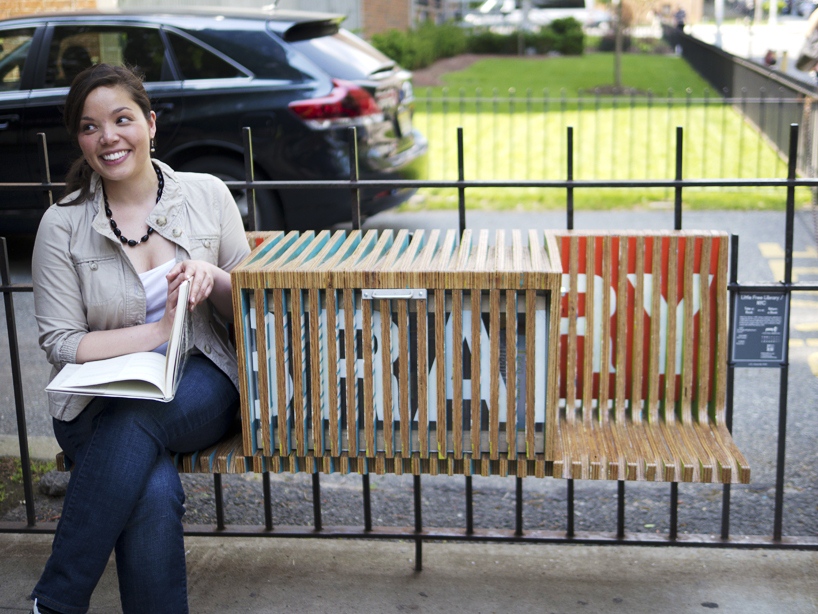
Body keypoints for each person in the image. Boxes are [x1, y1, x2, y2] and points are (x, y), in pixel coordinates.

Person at [29, 63, 250, 614]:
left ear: (150, 123)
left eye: (121, 119)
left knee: (139, 416)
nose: (108, 137)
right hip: (96, 398)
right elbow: (62, 343)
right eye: (89, 127)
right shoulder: (62, 224)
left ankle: (55, 603)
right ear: (79, 140)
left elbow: (251, 315)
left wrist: (212, 277)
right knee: (150, 491)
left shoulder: (207, 194)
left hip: (196, 380)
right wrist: (154, 330)